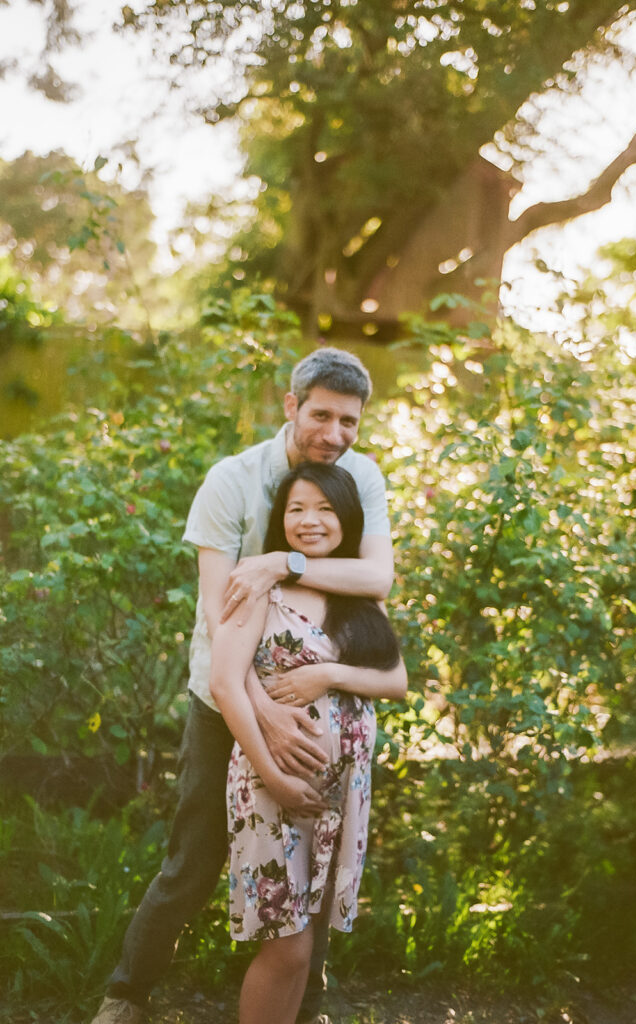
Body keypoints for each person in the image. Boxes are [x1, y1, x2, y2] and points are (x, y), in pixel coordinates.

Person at [92, 348, 395, 1024]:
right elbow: (215, 610)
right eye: (321, 414)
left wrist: (276, 563)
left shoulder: (360, 477)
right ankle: (127, 993)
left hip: (319, 701)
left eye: (349, 422)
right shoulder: (232, 481)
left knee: (315, 855)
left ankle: (303, 1003)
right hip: (223, 696)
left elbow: (375, 580)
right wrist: (260, 709)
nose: (335, 434)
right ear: (290, 406)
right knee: (194, 857)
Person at [210, 462, 407, 1024]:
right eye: (296, 508)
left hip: (339, 794)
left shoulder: (358, 597)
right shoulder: (258, 586)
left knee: (305, 945)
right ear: (280, 520)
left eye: (324, 508)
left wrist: (327, 675)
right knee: (287, 945)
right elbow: (225, 683)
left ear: (346, 519)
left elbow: (396, 682)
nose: (309, 520)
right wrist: (275, 777)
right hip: (272, 786)